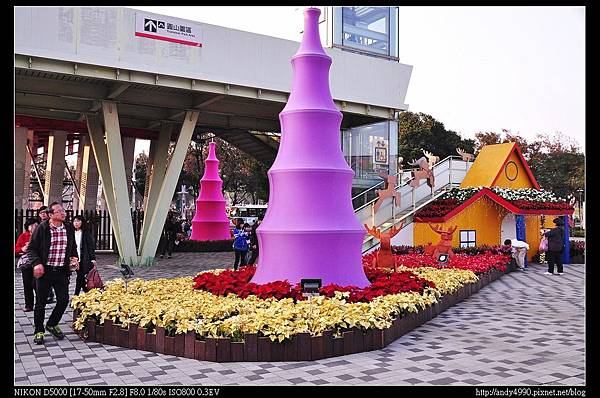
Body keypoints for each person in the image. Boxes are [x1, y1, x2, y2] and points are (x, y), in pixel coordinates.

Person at [27, 202, 79, 345]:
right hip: (45, 271)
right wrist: (37, 263)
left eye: (64, 211)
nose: (64, 213)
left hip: (61, 271)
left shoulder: (68, 227)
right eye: (59, 211)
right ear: (50, 215)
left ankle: (51, 323)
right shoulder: (42, 228)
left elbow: (72, 246)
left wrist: (74, 258)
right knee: (41, 302)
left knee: (63, 300)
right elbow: (31, 249)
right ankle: (39, 330)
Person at [15, 218, 40, 312]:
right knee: (27, 284)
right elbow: (16, 249)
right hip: (27, 264)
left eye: (35, 225)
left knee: (37, 284)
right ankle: (28, 305)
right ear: (27, 227)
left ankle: (40, 303)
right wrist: (23, 248)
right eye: (31, 225)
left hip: (38, 262)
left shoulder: (41, 235)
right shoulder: (23, 236)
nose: (33, 227)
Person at [72, 215, 97, 295]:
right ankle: (88, 293)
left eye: (78, 221)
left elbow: (90, 246)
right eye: (75, 221)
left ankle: (76, 295)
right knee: (81, 277)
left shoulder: (86, 233)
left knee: (80, 276)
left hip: (84, 258)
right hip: (74, 258)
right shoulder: (71, 232)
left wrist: (92, 258)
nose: (76, 223)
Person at [36, 206, 55, 304]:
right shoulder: (38, 225)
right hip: (39, 256)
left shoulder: (51, 225)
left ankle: (50, 295)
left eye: (44, 212)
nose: (43, 214)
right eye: (41, 213)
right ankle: (43, 296)